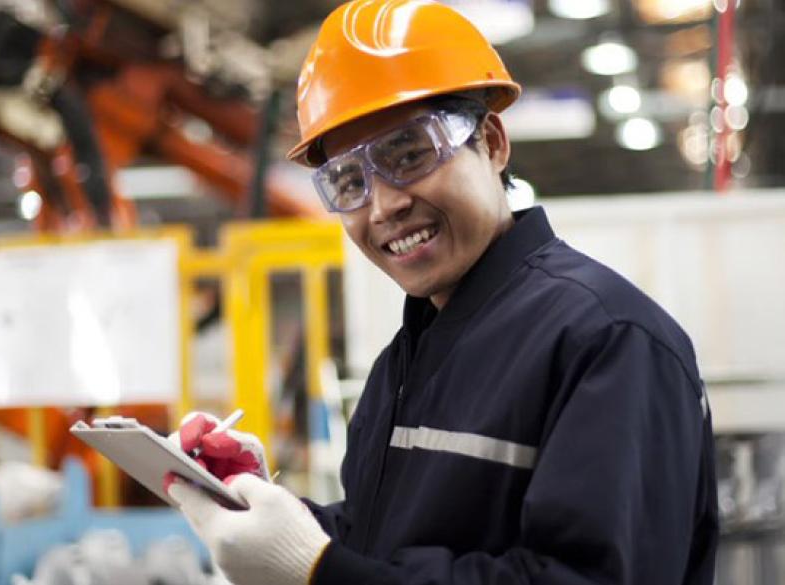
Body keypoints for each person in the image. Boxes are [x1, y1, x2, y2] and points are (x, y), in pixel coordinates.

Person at [165, 1, 719, 584]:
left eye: (409, 154)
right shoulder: (399, 369)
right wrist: (272, 513)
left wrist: (317, 571)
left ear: (493, 142)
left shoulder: (607, 343)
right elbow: (383, 546)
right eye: (349, 182)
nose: (383, 206)